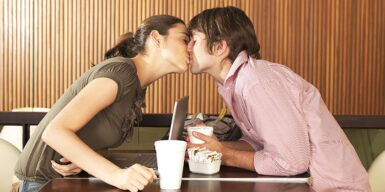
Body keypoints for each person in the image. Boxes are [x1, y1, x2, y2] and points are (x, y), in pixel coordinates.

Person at [186, 6, 370, 191]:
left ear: (220, 47)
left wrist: (224, 155)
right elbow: (259, 144)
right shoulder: (236, 83)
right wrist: (213, 147)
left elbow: (292, 161)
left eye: (194, 40)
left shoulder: (256, 82)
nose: (188, 48)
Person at [15, 15, 190, 192]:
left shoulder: (137, 85)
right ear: (156, 38)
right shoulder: (123, 73)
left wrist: (86, 159)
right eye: (184, 39)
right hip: (42, 184)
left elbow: (96, 139)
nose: (190, 47)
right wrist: (117, 175)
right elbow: (54, 132)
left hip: (65, 182)